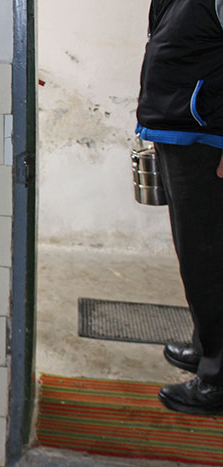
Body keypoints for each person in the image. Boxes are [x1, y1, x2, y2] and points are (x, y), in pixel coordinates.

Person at [136, 0, 223, 415]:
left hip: (208, 141)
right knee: (196, 258)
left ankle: (217, 379)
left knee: (211, 261)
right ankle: (208, 346)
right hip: (182, 135)